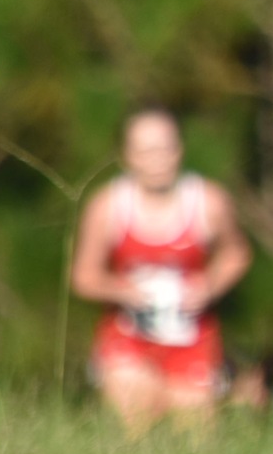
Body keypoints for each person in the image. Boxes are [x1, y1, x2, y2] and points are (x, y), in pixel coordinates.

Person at [71, 106, 254, 433]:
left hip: (192, 337)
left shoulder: (208, 202)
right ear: (127, 157)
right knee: (136, 428)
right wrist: (123, 290)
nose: (157, 160)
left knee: (196, 442)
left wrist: (208, 287)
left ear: (179, 150)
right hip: (129, 337)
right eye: (145, 151)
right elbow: (84, 277)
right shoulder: (108, 207)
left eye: (165, 148)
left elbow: (236, 254)